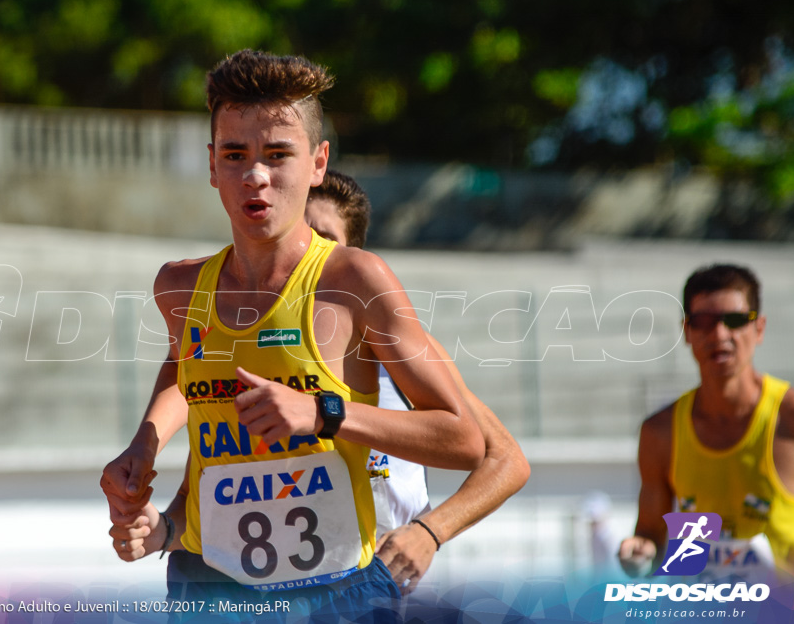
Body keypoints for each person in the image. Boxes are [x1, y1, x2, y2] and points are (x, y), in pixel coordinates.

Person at [100, 51, 485, 621]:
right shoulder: (178, 288)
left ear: (318, 162)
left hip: (336, 596)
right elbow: (188, 375)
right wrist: (145, 451)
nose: (256, 176)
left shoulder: (354, 280)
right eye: (236, 155)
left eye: (278, 155)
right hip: (209, 586)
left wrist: (322, 413)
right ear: (212, 165)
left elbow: (464, 440)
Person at [108, 171, 530, 596]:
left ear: (354, 258)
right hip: (245, 588)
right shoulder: (257, 350)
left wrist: (430, 531)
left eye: (321, 238)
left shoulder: (401, 349)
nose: (300, 251)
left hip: (362, 583)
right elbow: (207, 478)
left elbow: (505, 459)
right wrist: (164, 525)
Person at [618, 264, 794, 577]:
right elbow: (650, 536)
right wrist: (639, 551)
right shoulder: (660, 432)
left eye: (736, 320)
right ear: (687, 331)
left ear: (759, 329)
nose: (720, 334)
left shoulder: (790, 417)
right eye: (704, 322)